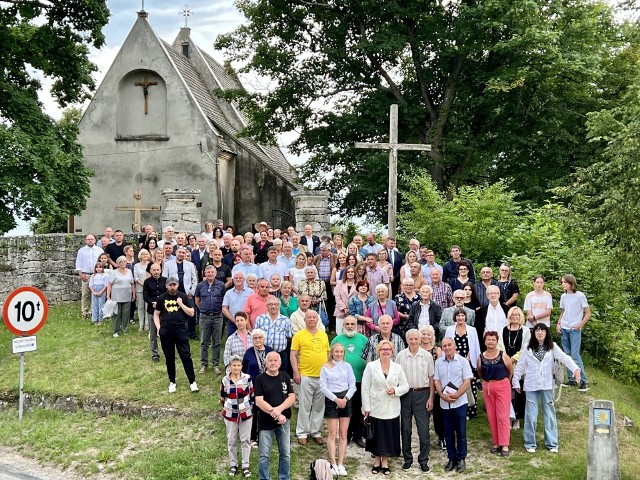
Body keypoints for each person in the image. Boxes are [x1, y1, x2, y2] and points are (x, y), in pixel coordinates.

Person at [512, 323, 581, 453]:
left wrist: (575, 369)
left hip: (547, 384)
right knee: (531, 415)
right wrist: (515, 381)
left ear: (546, 333)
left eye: (542, 330)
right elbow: (520, 366)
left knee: (549, 413)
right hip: (531, 384)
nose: (540, 333)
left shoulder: (552, 347)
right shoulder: (528, 348)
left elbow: (564, 358)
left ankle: (552, 443)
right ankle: (530, 443)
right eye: (537, 330)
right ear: (534, 333)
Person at [361, 340, 409, 475]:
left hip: (391, 407)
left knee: (388, 435)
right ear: (379, 351)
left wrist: (395, 390)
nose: (385, 351)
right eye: (383, 349)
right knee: (376, 435)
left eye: (388, 349)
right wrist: (366, 407)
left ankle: (385, 462)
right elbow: (365, 388)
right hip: (375, 407)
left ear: (392, 352)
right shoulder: (371, 366)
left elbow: (405, 386)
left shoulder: (398, 368)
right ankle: (376, 461)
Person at [396, 329, 435, 473]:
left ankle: (423, 460)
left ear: (420, 340)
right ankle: (407, 459)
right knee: (405, 429)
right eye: (411, 339)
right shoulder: (400, 356)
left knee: (423, 430)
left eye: (416, 339)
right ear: (407, 340)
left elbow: (431, 378)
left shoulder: (427, 356)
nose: (413, 341)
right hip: (405, 395)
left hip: (422, 394)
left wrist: (431, 397)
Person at [434, 337, 473, 473]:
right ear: (442, 348)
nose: (447, 348)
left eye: (449, 345)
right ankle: (452, 458)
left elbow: (467, 381)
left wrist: (457, 395)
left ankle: (461, 458)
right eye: (444, 346)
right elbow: (437, 381)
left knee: (461, 431)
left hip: (460, 402)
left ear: (454, 346)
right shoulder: (438, 362)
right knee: (448, 432)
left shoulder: (462, 361)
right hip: (444, 403)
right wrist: (442, 395)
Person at [291, 310, 330, 445]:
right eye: (309, 318)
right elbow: (293, 355)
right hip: (305, 375)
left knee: (319, 406)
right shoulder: (299, 336)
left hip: (322, 377)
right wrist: (296, 372)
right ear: (305, 320)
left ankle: (316, 432)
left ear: (317, 319)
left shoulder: (323, 335)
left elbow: (328, 354)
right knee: (304, 405)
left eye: (314, 317)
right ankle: (302, 432)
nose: (312, 320)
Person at [153, 276, 199, 393]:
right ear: (166, 286)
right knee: (169, 357)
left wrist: (181, 304)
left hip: (180, 329)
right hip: (166, 330)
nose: (172, 287)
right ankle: (172, 381)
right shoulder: (162, 298)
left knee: (186, 355)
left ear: (177, 285)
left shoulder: (183, 296)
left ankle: (192, 381)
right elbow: (156, 314)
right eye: (170, 285)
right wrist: (159, 327)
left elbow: (192, 313)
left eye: (174, 285)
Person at [254, 352, 295, 480]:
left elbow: (292, 397)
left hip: (284, 421)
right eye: (270, 360)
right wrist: (276, 413)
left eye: (275, 360)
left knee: (285, 454)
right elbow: (259, 401)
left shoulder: (285, 376)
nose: (273, 363)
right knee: (264, 455)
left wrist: (279, 410)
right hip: (266, 423)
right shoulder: (260, 379)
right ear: (266, 363)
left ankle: (284, 477)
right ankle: (264, 478)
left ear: (280, 363)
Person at [331, 315, 368, 448]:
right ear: (343, 325)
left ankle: (358, 435)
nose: (350, 326)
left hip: (360, 380)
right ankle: (345, 436)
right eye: (347, 324)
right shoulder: (337, 339)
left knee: (358, 409)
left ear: (357, 325)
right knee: (346, 409)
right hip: (342, 382)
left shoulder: (363, 339)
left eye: (353, 324)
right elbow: (330, 359)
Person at [320, 342, 356, 476]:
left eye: (341, 352)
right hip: (332, 399)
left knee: (343, 433)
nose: (339, 354)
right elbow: (323, 387)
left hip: (345, 398)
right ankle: (333, 463)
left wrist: (345, 399)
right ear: (332, 353)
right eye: (337, 352)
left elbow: (352, 385)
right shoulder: (325, 367)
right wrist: (336, 399)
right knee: (332, 433)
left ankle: (341, 463)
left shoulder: (347, 366)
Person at [477, 331, 514, 456]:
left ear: (497, 341)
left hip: (502, 385)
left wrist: (504, 382)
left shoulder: (503, 355)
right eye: (488, 339)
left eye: (493, 339)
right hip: (488, 386)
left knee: (502, 416)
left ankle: (504, 444)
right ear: (485, 341)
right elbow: (480, 372)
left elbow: (510, 370)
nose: (491, 342)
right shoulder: (481, 357)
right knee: (491, 416)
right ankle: (496, 442)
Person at [220, 355, 254, 478]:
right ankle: (233, 464)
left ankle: (246, 465)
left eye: (238, 365)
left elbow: (252, 394)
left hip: (246, 413)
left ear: (241, 366)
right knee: (231, 440)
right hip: (230, 414)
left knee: (245, 440)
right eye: (234, 365)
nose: (236, 367)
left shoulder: (247, 378)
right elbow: (222, 397)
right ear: (230, 366)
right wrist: (228, 408)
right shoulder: (224, 380)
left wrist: (248, 408)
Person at [444, 308, 481, 419]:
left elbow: (475, 345)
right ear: (455, 317)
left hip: (469, 360)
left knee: (470, 384)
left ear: (466, 317)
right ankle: (459, 409)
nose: (460, 318)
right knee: (457, 383)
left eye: (462, 316)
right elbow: (447, 344)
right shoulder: (450, 329)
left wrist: (470, 357)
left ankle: (471, 410)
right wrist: (457, 356)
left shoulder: (472, 330)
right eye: (458, 316)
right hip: (455, 359)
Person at [557, 274, 591, 391]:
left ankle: (583, 381)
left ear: (570, 283)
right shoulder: (563, 296)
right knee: (567, 355)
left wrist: (579, 325)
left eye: (564, 282)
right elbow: (563, 312)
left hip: (574, 330)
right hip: (564, 328)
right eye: (562, 282)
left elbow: (588, 313)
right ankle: (572, 379)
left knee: (575, 355)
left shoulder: (580, 296)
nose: (562, 284)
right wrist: (558, 324)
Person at [242, 329, 273, 448]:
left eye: (260, 337)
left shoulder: (270, 351)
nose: (258, 340)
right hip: (253, 386)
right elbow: (244, 369)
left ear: (264, 339)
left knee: (266, 410)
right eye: (255, 338)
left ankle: (266, 435)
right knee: (254, 412)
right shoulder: (249, 352)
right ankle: (253, 437)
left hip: (268, 385)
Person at [503, 306, 530, 430]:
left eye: (517, 315)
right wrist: (506, 360)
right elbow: (500, 346)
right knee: (506, 392)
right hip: (504, 364)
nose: (515, 317)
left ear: (521, 317)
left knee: (519, 392)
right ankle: (508, 417)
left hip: (520, 365)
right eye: (512, 315)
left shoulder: (526, 331)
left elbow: (526, 347)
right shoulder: (503, 330)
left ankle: (518, 419)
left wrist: (514, 359)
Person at [195, 265, 226, 375]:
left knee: (217, 342)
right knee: (204, 342)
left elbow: (224, 299)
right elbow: (197, 300)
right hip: (204, 316)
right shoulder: (200, 285)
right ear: (205, 274)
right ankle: (203, 364)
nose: (210, 274)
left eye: (212, 272)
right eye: (208, 272)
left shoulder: (221, 285)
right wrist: (204, 309)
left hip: (218, 316)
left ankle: (216, 364)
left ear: (215, 273)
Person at [419, 325, 445, 450]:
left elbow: (440, 368)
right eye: (423, 334)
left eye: (428, 334)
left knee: (438, 414)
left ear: (432, 336)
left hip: (435, 384)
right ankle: (424, 440)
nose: (426, 336)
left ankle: (442, 437)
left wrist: (437, 386)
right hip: (421, 386)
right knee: (423, 415)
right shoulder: (416, 349)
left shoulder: (437, 350)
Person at [254, 296, 292, 372]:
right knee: (264, 377)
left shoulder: (286, 320)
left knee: (281, 378)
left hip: (281, 354)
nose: (273, 306)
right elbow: (255, 336)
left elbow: (288, 337)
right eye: (271, 304)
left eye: (276, 304)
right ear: (267, 306)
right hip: (263, 353)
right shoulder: (260, 319)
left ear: (279, 306)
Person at [75, 234, 103, 319]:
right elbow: (78, 263)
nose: (90, 240)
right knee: (85, 294)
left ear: (95, 240)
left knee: (94, 294)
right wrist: (80, 274)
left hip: (96, 275)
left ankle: (92, 311)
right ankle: (84, 311)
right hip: (85, 274)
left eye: (92, 239)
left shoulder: (99, 250)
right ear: (85, 240)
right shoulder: (81, 251)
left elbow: (102, 262)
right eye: (88, 239)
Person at [143, 263, 166, 363]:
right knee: (153, 334)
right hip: (152, 310)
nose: (156, 272)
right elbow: (145, 295)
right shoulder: (147, 282)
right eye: (154, 270)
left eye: (157, 270)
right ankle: (155, 354)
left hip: (164, 310)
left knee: (166, 333)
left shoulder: (165, 280)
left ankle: (169, 352)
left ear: (160, 270)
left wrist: (161, 303)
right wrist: (152, 303)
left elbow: (168, 293)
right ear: (150, 271)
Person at [107, 256, 135, 338]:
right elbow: (109, 285)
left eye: (125, 261)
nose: (123, 263)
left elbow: (132, 283)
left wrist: (134, 294)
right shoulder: (114, 272)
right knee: (116, 314)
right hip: (116, 296)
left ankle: (124, 329)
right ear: (118, 263)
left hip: (127, 295)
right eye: (121, 261)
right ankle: (115, 331)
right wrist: (108, 295)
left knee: (126, 314)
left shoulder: (129, 271)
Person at [475, 285, 509, 350]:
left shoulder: (507, 309)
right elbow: (479, 331)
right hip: (487, 345)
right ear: (487, 296)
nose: (493, 295)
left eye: (495, 293)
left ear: (499, 295)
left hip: (505, 343)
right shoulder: (480, 312)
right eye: (490, 293)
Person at [334, 265, 357, 335]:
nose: (350, 273)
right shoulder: (339, 283)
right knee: (340, 332)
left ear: (355, 273)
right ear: (345, 274)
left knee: (352, 333)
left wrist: (351, 309)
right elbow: (337, 297)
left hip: (353, 311)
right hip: (341, 311)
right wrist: (344, 308)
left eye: (352, 272)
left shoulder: (358, 283)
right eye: (348, 272)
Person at [133, 248, 150, 331]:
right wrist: (142, 283)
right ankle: (141, 324)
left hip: (149, 289)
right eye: (143, 254)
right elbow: (135, 277)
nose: (145, 256)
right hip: (139, 289)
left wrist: (147, 284)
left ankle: (147, 324)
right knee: (140, 307)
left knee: (147, 307)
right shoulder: (136, 266)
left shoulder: (150, 264)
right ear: (140, 255)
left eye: (146, 254)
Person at [88, 261, 108, 325]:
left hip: (101, 290)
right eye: (97, 267)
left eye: (100, 267)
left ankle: (100, 319)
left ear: (102, 268)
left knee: (101, 305)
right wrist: (93, 291)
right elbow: (90, 285)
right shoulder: (93, 276)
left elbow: (106, 285)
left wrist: (101, 292)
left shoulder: (104, 275)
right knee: (94, 304)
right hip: (94, 289)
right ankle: (94, 319)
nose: (98, 269)